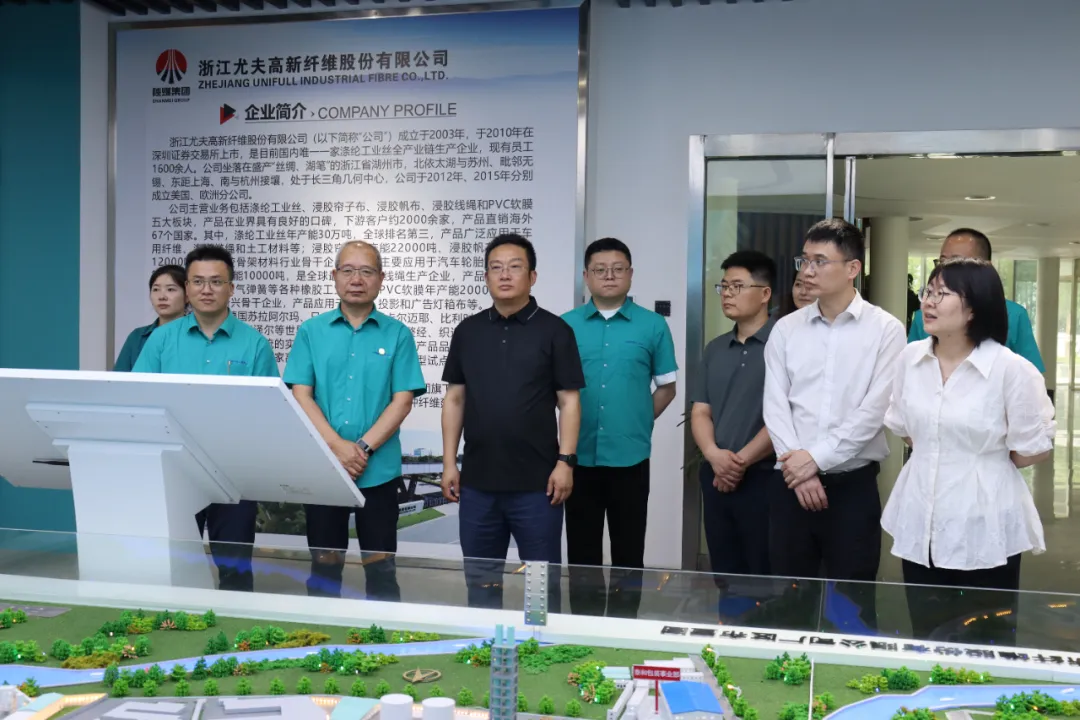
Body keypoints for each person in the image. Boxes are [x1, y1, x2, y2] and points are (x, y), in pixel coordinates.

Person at [883, 258, 1054, 643]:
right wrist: (944, 450)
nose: (928, 302)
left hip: (985, 521)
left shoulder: (1011, 369)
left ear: (975, 307)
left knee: (986, 638)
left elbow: (1033, 447)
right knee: (927, 633)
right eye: (928, 291)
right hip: (922, 516)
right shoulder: (910, 359)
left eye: (942, 294)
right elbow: (906, 428)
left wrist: (982, 459)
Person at [763, 219, 906, 631]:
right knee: (790, 601)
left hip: (851, 488)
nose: (808, 271)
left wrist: (815, 460)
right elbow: (775, 405)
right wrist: (798, 466)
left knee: (853, 603)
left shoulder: (885, 330)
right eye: (804, 260)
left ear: (852, 268)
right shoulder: (786, 329)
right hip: (790, 486)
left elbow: (873, 412)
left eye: (820, 261)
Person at [440, 233, 584, 610]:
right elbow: (455, 398)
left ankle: (543, 642)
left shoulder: (555, 331)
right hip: (478, 485)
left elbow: (569, 401)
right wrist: (449, 462)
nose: (504, 275)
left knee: (541, 589)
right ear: (486, 277)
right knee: (481, 584)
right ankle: (484, 642)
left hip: (537, 486)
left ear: (532, 276)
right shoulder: (468, 331)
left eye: (515, 267)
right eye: (496, 268)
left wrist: (565, 462)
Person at [283, 241, 426, 602]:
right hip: (324, 469)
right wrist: (336, 446)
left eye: (366, 271)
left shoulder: (397, 334)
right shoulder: (311, 332)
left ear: (381, 278)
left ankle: (382, 635)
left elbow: (402, 400)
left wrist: (360, 449)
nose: (356, 279)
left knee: (381, 570)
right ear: (334, 276)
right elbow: (301, 394)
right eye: (348, 270)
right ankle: (320, 635)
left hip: (378, 472)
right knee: (324, 569)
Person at [133, 245, 278, 592]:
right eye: (198, 281)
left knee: (235, 567)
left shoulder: (254, 344)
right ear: (187, 288)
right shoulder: (161, 340)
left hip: (234, 472)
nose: (206, 289)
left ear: (231, 288)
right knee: (174, 566)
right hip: (175, 469)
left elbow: (269, 412)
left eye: (216, 281)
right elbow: (138, 397)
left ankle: (238, 624)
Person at [561, 237, 678, 618]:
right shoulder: (565, 326)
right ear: (586, 276)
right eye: (600, 269)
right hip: (578, 458)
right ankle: (584, 626)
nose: (609, 276)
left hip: (631, 458)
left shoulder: (653, 325)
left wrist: (639, 420)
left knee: (629, 552)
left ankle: (624, 626)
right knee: (582, 553)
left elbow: (667, 387)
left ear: (630, 274)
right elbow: (554, 391)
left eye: (617, 269)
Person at [691, 250, 777, 581]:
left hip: (765, 476)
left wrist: (738, 463)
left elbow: (785, 418)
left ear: (765, 293)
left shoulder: (783, 345)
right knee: (725, 574)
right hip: (716, 475)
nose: (727, 294)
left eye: (737, 286)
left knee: (765, 574)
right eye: (724, 286)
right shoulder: (715, 348)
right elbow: (701, 411)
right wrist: (714, 456)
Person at [909, 228, 1044, 372]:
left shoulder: (1015, 316)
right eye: (942, 261)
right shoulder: (924, 318)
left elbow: (1031, 372)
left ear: (985, 269)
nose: (946, 270)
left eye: (956, 263)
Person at [113, 265, 187, 371]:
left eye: (170, 289)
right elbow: (120, 377)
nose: (162, 297)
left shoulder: (197, 335)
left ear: (187, 295)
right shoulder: (138, 337)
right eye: (156, 289)